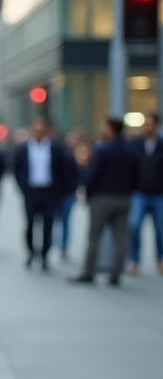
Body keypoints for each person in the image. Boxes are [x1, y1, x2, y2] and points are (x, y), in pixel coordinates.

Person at [71, 116, 139, 286]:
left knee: (94, 237)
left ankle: (89, 272)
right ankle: (116, 274)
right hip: (123, 198)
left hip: (102, 198)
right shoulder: (131, 151)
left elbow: (93, 174)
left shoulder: (103, 150)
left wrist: (87, 192)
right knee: (121, 239)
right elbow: (136, 176)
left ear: (110, 129)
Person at [12, 116, 72, 271]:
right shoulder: (23, 149)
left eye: (41, 129)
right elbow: (17, 169)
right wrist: (22, 186)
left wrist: (61, 191)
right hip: (31, 192)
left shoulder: (55, 148)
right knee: (30, 224)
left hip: (49, 192)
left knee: (48, 225)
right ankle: (31, 252)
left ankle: (45, 254)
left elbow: (63, 170)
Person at [127, 113, 163, 275]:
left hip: (158, 194)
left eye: (150, 124)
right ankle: (134, 259)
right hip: (139, 193)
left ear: (156, 126)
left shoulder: (161, 145)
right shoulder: (136, 144)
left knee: (160, 229)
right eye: (145, 124)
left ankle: (160, 258)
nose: (148, 127)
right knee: (134, 225)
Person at [54, 131, 83, 262]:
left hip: (69, 194)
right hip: (57, 194)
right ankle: (55, 243)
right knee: (55, 220)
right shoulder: (59, 153)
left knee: (65, 221)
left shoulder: (79, 156)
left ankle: (63, 247)